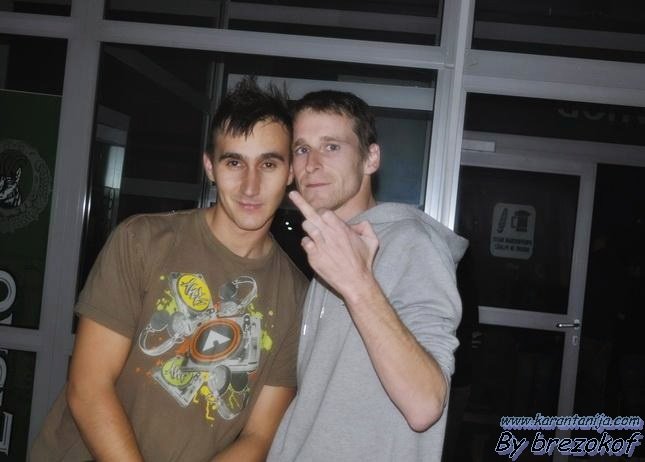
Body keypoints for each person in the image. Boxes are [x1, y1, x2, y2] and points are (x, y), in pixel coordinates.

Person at [30, 77, 307, 462]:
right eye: (234, 162)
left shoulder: (297, 295)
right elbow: (89, 387)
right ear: (210, 166)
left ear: (290, 172)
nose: (250, 185)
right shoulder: (142, 241)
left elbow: (259, 437)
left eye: (269, 164)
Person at [267, 90, 468, 462]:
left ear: (370, 158)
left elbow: (426, 405)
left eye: (331, 147)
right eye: (301, 149)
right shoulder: (330, 248)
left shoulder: (412, 243)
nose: (311, 164)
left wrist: (358, 284)